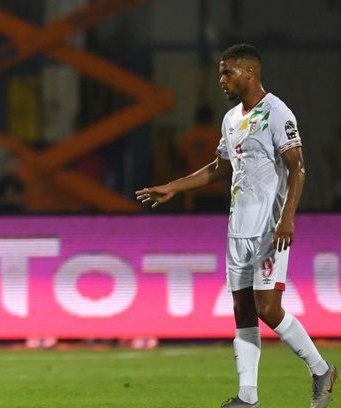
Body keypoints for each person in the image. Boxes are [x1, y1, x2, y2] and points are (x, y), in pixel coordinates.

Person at [136, 44, 337, 408]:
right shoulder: (231, 120)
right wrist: (173, 187)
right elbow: (218, 168)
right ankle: (248, 398)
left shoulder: (277, 113)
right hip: (237, 230)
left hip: (268, 231)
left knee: (267, 309)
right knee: (243, 312)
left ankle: (321, 369)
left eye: (227, 72)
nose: (221, 80)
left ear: (249, 72)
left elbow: (298, 168)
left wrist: (287, 217)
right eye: (221, 73)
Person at [176, 103, 229, 212]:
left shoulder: (188, 137)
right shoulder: (218, 137)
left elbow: (179, 162)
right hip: (216, 189)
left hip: (194, 190)